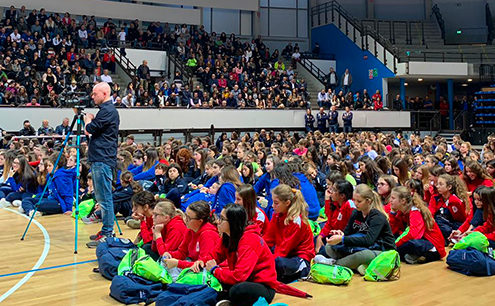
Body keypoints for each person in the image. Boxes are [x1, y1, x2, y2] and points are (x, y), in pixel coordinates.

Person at [201, 204, 309, 306]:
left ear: (233, 222)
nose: (217, 221)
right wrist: (200, 262)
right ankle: (226, 300)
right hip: (245, 280)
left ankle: (227, 299)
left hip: (263, 286)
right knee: (211, 283)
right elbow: (214, 255)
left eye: (222, 219)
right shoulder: (228, 236)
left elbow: (239, 277)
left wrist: (215, 270)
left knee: (237, 290)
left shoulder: (249, 239)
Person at [316, 184, 396, 274]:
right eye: (354, 200)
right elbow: (347, 233)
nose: (355, 203)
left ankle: (333, 264)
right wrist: (339, 234)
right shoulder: (356, 213)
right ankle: (358, 266)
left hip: (383, 251)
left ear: (368, 201)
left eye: (359, 201)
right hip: (362, 247)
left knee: (362, 255)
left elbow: (368, 240)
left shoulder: (377, 217)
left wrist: (342, 239)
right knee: (329, 246)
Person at [85, 82, 120, 248]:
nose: (92, 97)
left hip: (103, 160)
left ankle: (107, 233)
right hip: (100, 159)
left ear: (104, 94)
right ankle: (106, 230)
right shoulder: (106, 111)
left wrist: (87, 119)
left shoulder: (107, 111)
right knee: (102, 198)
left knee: (105, 199)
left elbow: (90, 129)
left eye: (95, 94)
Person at [264, 184, 315, 283]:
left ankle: (302, 270)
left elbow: (283, 250)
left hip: (300, 258)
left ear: (287, 203)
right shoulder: (277, 215)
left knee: (277, 262)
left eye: (276, 203)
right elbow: (268, 239)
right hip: (286, 254)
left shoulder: (296, 221)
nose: (272, 206)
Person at [389, 186, 446, 264]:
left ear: (403, 201)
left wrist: (396, 245)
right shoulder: (402, 212)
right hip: (422, 241)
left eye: (393, 198)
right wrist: (392, 213)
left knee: (408, 244)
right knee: (393, 239)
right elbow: (394, 230)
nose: (390, 200)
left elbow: (414, 235)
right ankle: (410, 255)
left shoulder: (415, 211)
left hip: (434, 247)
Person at [162, 200, 220, 270]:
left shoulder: (208, 235)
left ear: (200, 221)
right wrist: (169, 254)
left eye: (189, 218)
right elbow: (182, 252)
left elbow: (202, 265)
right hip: (192, 265)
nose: (185, 219)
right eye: (185, 215)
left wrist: (178, 263)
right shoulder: (190, 230)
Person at [315, 179, 355, 253]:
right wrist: (320, 237)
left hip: (343, 239)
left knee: (322, 251)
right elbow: (329, 222)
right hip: (333, 234)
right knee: (315, 239)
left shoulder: (350, 206)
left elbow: (351, 230)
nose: (330, 192)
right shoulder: (335, 203)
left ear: (342, 195)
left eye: (333, 190)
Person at [429, 174, 468, 243]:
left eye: (441, 184)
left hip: (454, 224)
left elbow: (461, 219)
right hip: (441, 225)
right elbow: (430, 214)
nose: (437, 186)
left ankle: (453, 236)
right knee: (437, 221)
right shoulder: (435, 198)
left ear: (449, 187)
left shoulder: (456, 200)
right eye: (437, 184)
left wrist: (452, 204)